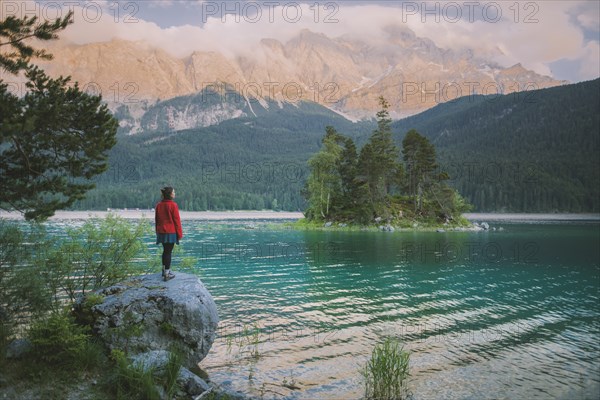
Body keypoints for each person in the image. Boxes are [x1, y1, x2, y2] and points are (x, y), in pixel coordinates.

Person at [155, 186, 183, 281]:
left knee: (165, 251)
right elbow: (177, 221)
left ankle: (164, 270)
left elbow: (157, 220)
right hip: (170, 232)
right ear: (170, 194)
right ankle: (167, 274)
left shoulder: (159, 205)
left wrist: (157, 231)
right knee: (168, 252)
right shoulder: (173, 205)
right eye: (174, 192)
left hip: (161, 232)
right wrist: (179, 234)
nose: (175, 194)